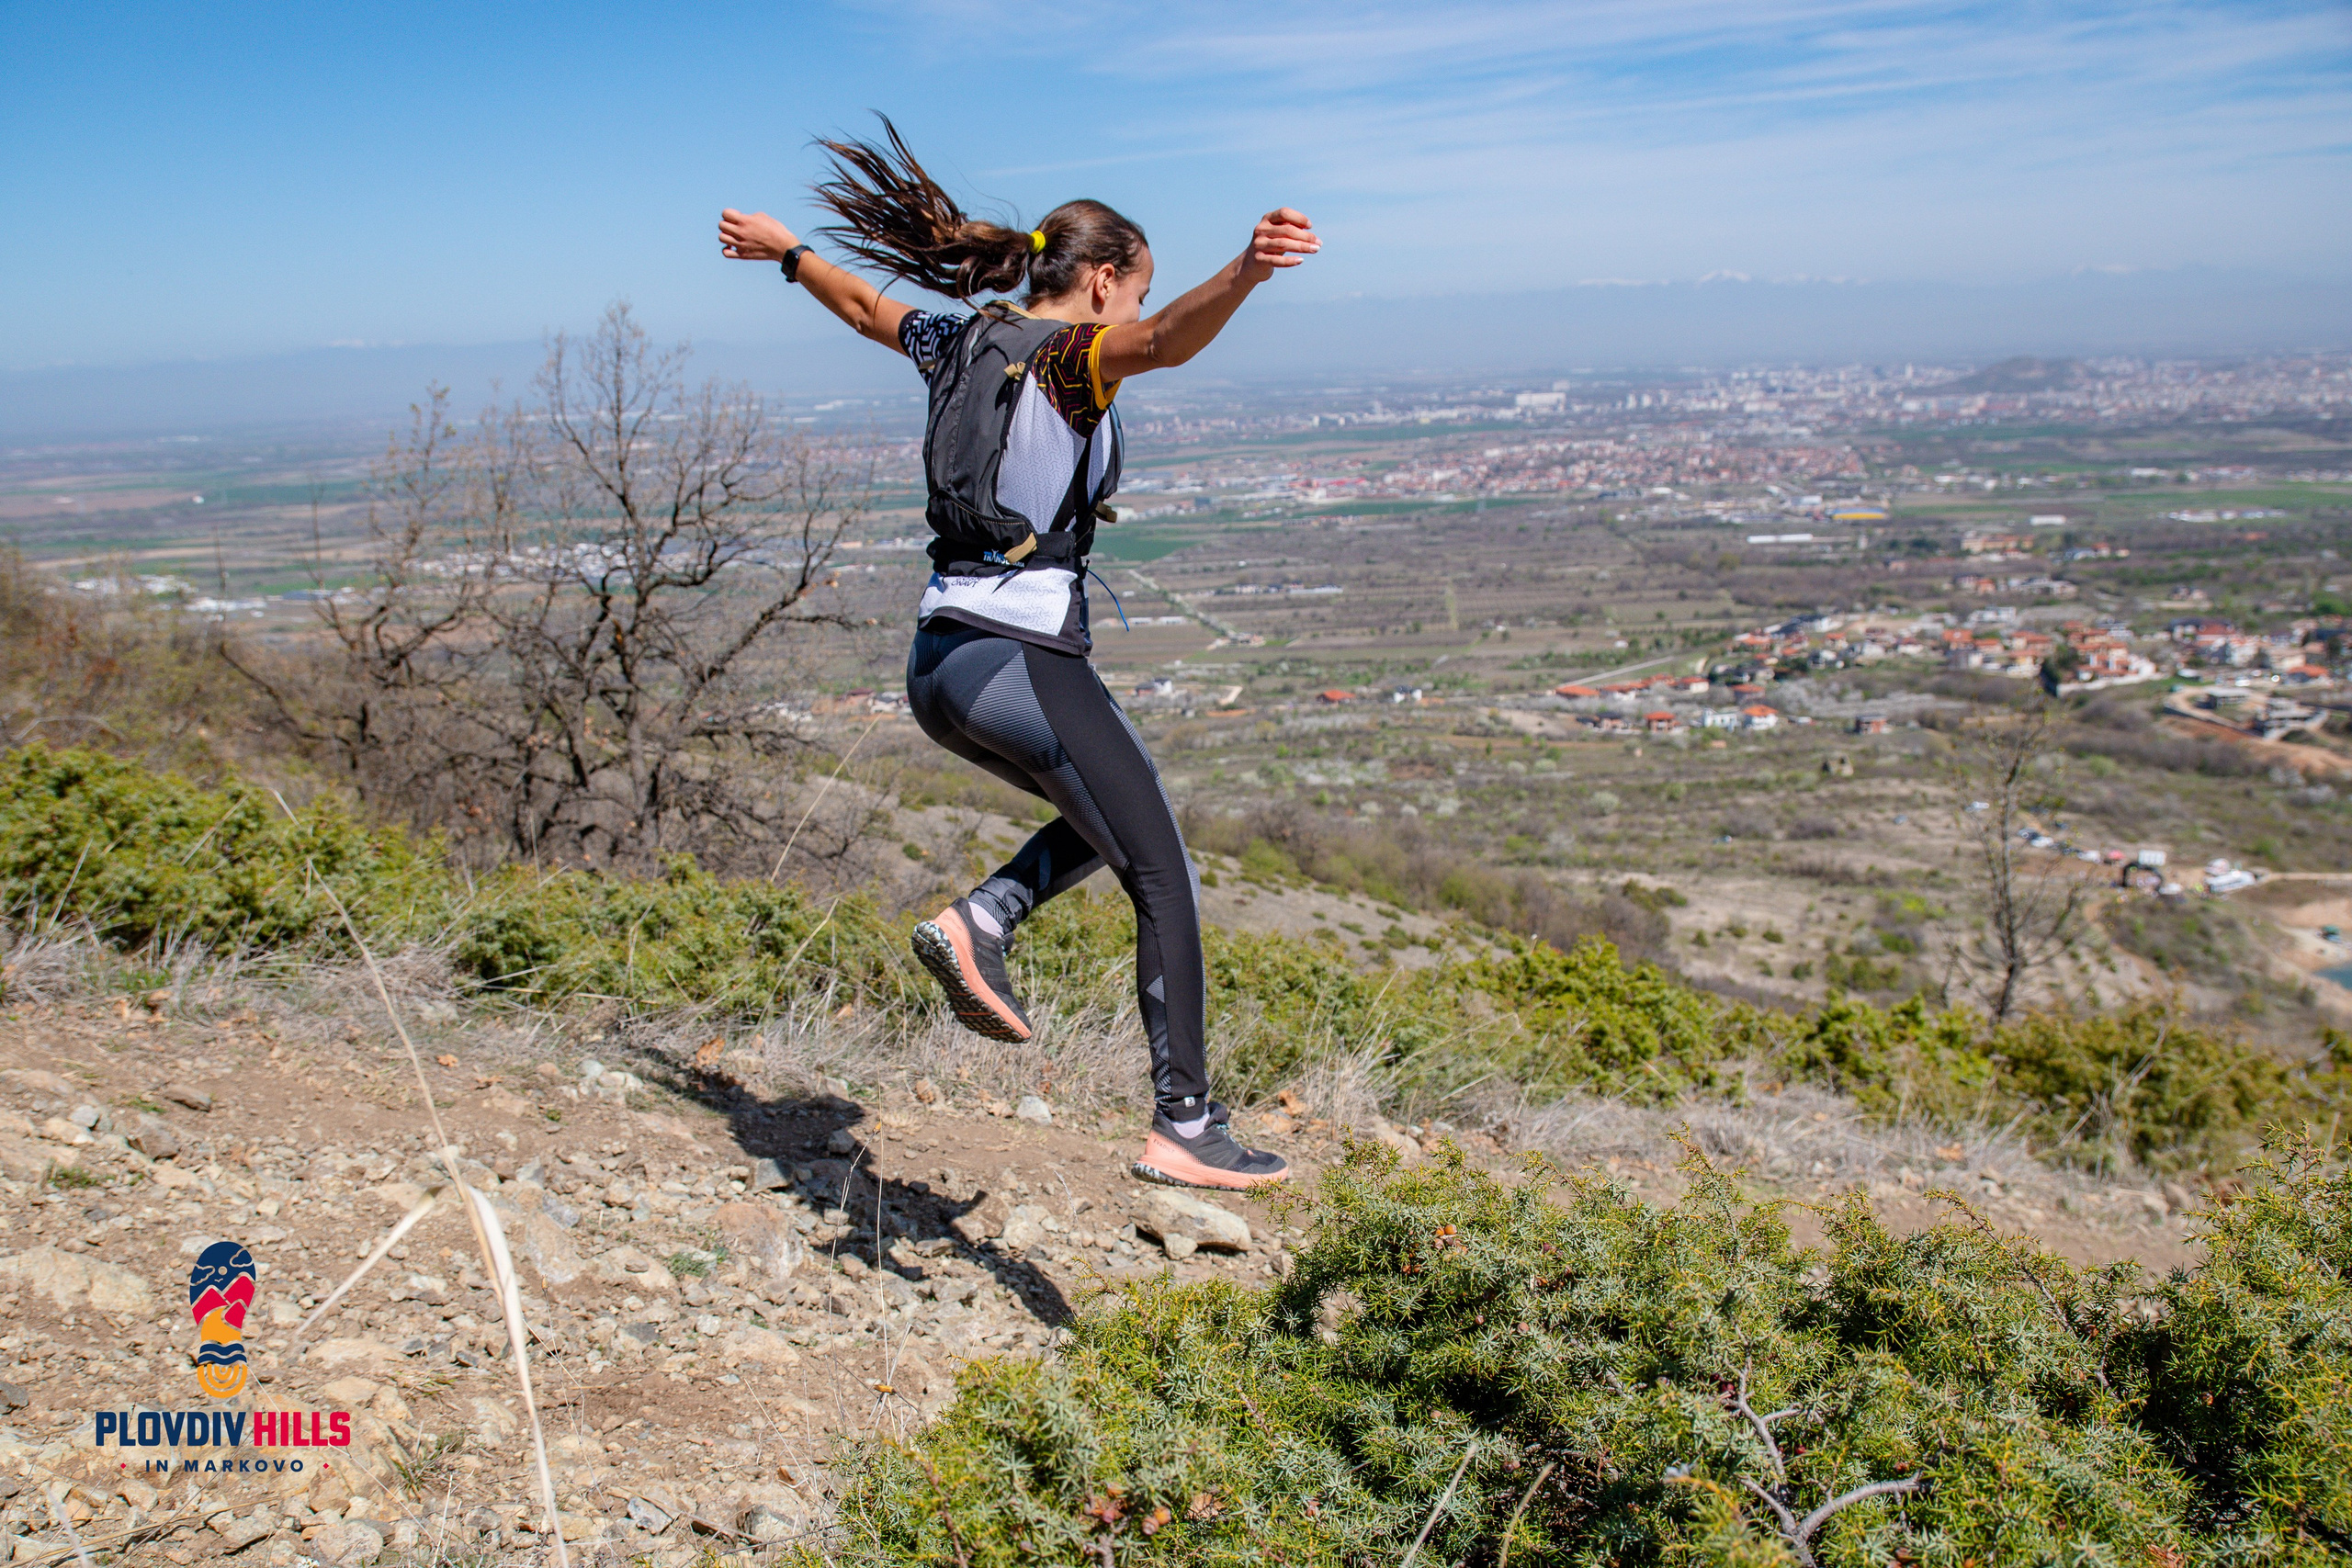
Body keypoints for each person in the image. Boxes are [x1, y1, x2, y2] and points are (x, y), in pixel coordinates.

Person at [718, 119, 1317, 1190]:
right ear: (1097, 283)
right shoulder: (1070, 359)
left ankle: (984, 917)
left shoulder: (956, 342)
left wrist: (788, 253)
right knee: (1163, 870)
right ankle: (1184, 1120)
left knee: (1111, 815)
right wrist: (1248, 268)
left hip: (940, 662)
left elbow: (863, 305)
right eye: (1129, 291)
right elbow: (1171, 337)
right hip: (1021, 655)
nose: (1131, 310)